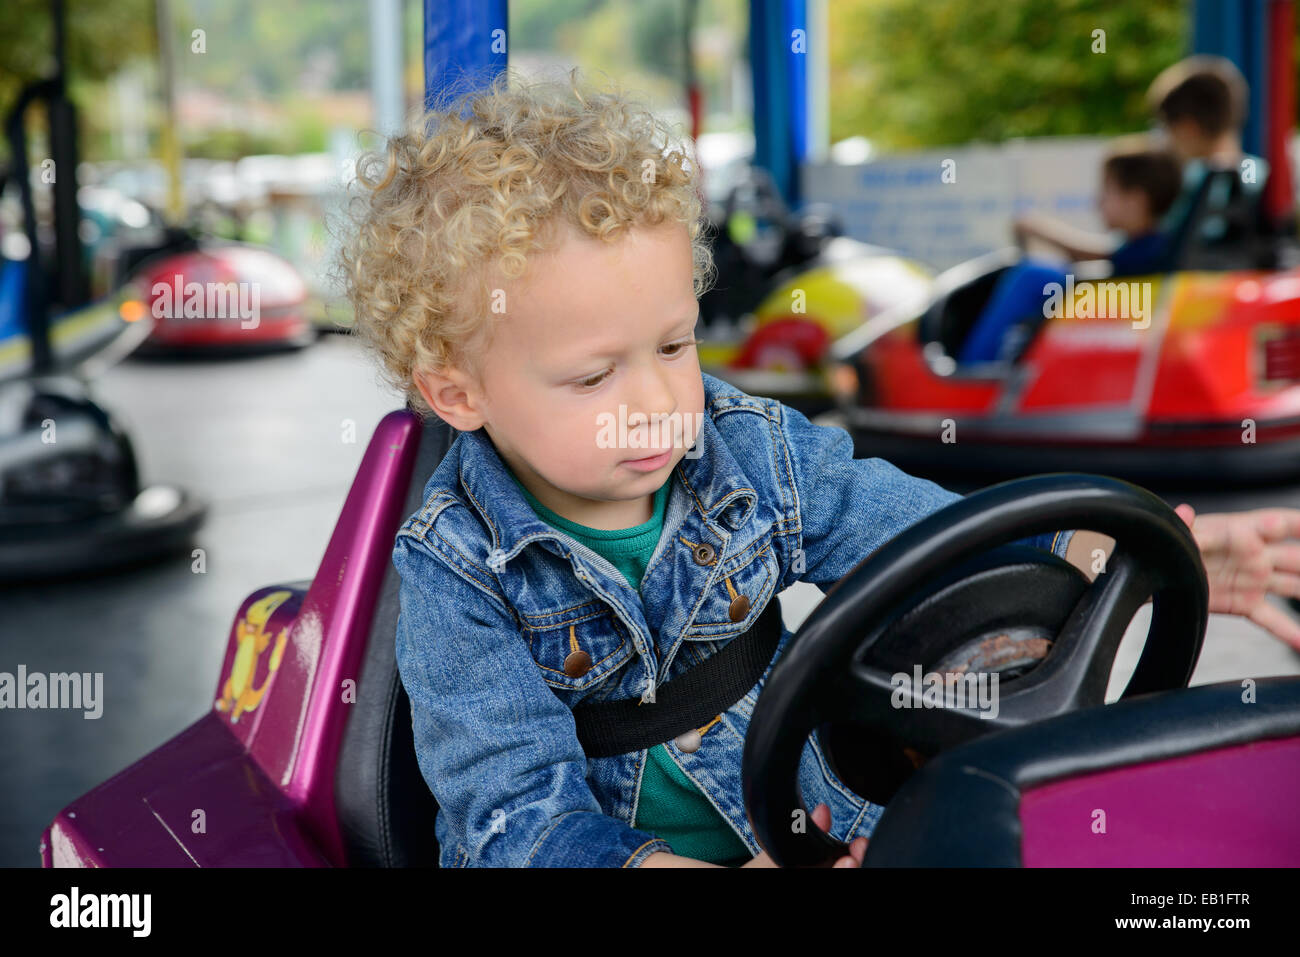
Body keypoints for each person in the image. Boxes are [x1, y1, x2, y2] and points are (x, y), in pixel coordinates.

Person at [338, 67, 1300, 869]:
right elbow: (516, 819)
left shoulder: (747, 449)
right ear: (458, 392)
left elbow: (932, 539)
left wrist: (1135, 553)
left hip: (812, 824)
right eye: (593, 375)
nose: (661, 403)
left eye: (675, 347)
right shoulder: (459, 566)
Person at [958, 139, 1182, 364]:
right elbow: (1099, 256)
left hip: (1120, 310)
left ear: (1135, 201)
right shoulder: (1150, 244)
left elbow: (1100, 259)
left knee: (1032, 275)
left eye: (1107, 190)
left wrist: (1041, 230)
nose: (1098, 201)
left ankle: (972, 370)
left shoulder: (1150, 248)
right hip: (1120, 305)